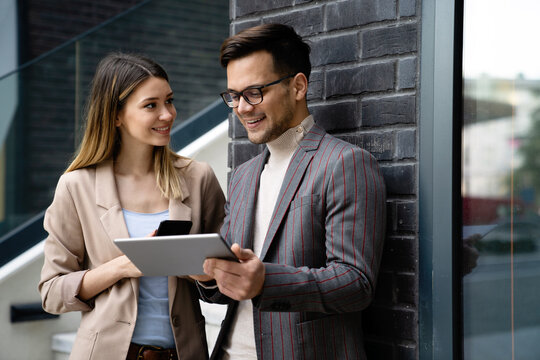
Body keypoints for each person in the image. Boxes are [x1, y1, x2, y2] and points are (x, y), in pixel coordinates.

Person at [195, 24, 387, 360]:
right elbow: (231, 291)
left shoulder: (344, 163)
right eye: (234, 96)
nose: (241, 107)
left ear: (297, 87)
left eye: (254, 92)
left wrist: (265, 281)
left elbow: (356, 283)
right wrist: (209, 274)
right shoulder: (243, 176)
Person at [38, 52, 226, 360]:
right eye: (151, 105)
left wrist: (202, 273)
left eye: (170, 100)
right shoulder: (76, 186)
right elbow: (52, 293)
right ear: (116, 115)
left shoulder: (198, 177)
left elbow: (224, 283)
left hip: (184, 352)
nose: (167, 114)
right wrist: (124, 265)